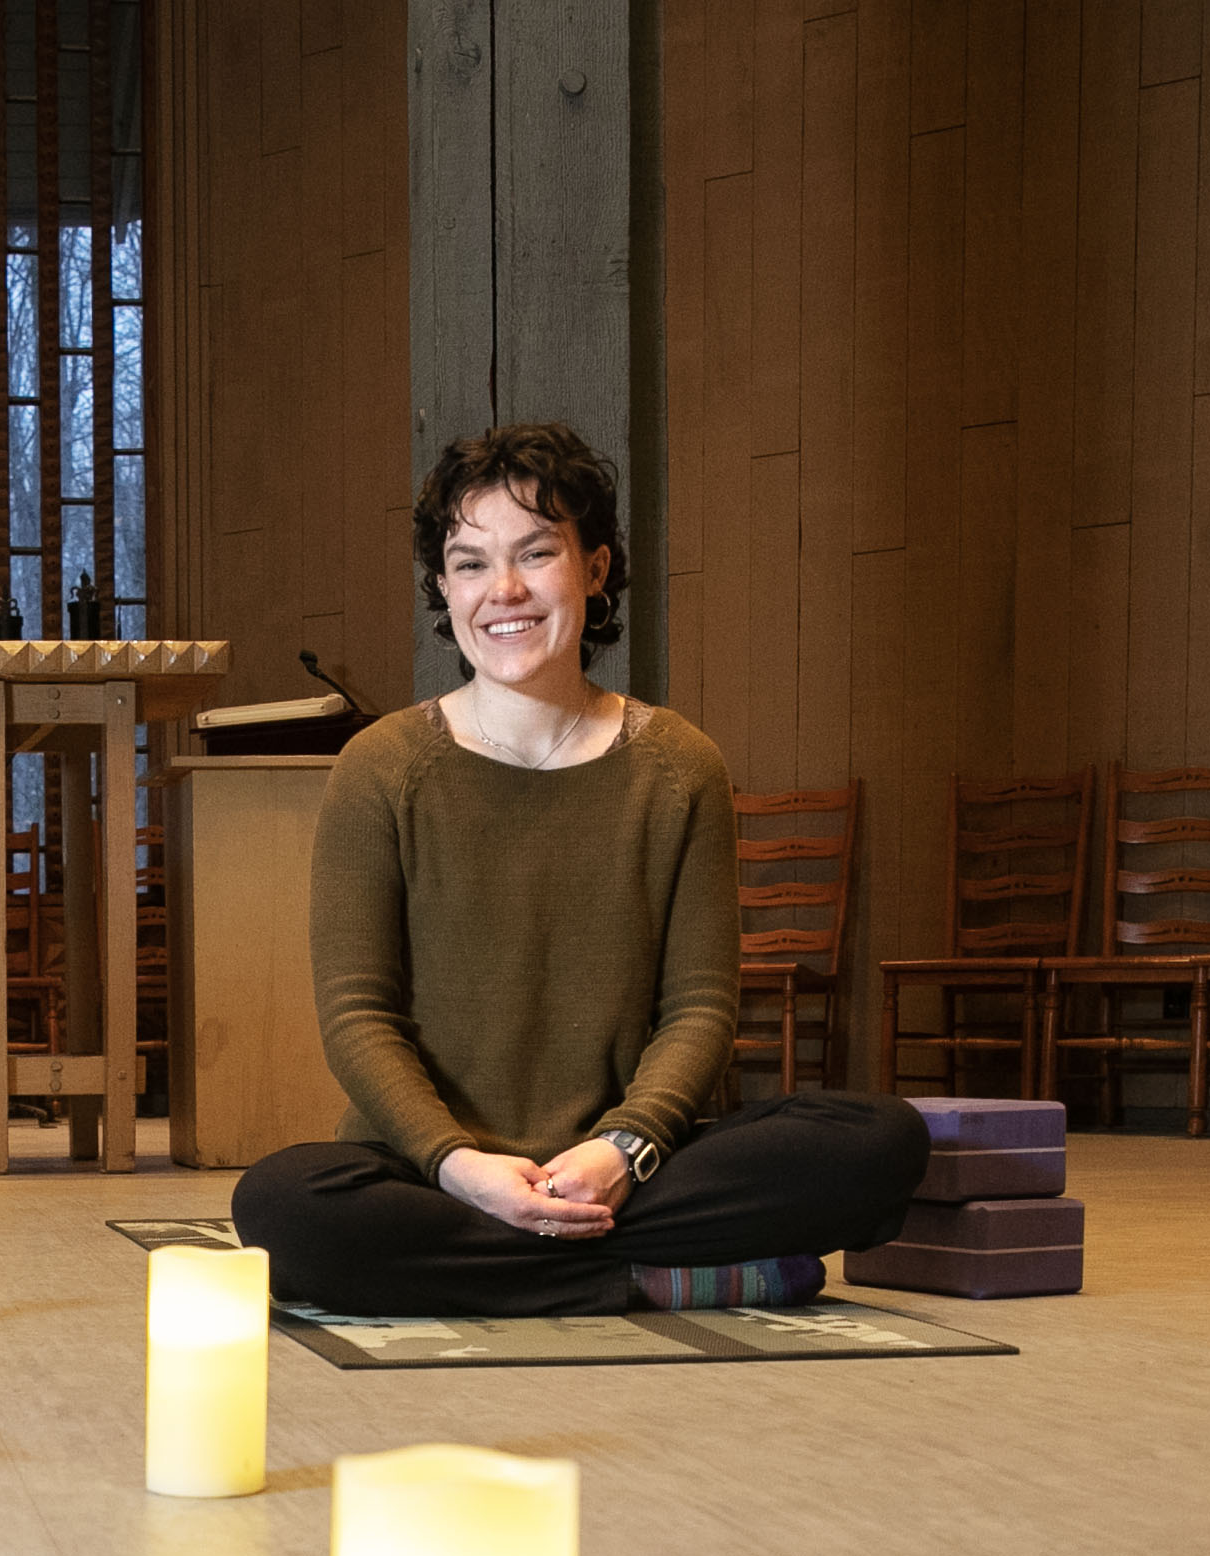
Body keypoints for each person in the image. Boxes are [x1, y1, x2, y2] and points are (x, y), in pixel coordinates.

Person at [230, 422, 926, 1317]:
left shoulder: (678, 763)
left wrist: (625, 1148)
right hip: (429, 1172)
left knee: (878, 1141)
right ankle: (641, 1274)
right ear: (443, 585)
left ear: (593, 570)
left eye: (536, 552)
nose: (503, 590)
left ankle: (531, 1267)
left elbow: (700, 1007)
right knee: (283, 1209)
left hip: (628, 1166)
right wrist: (459, 1165)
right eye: (471, 562)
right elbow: (358, 1015)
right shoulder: (381, 766)